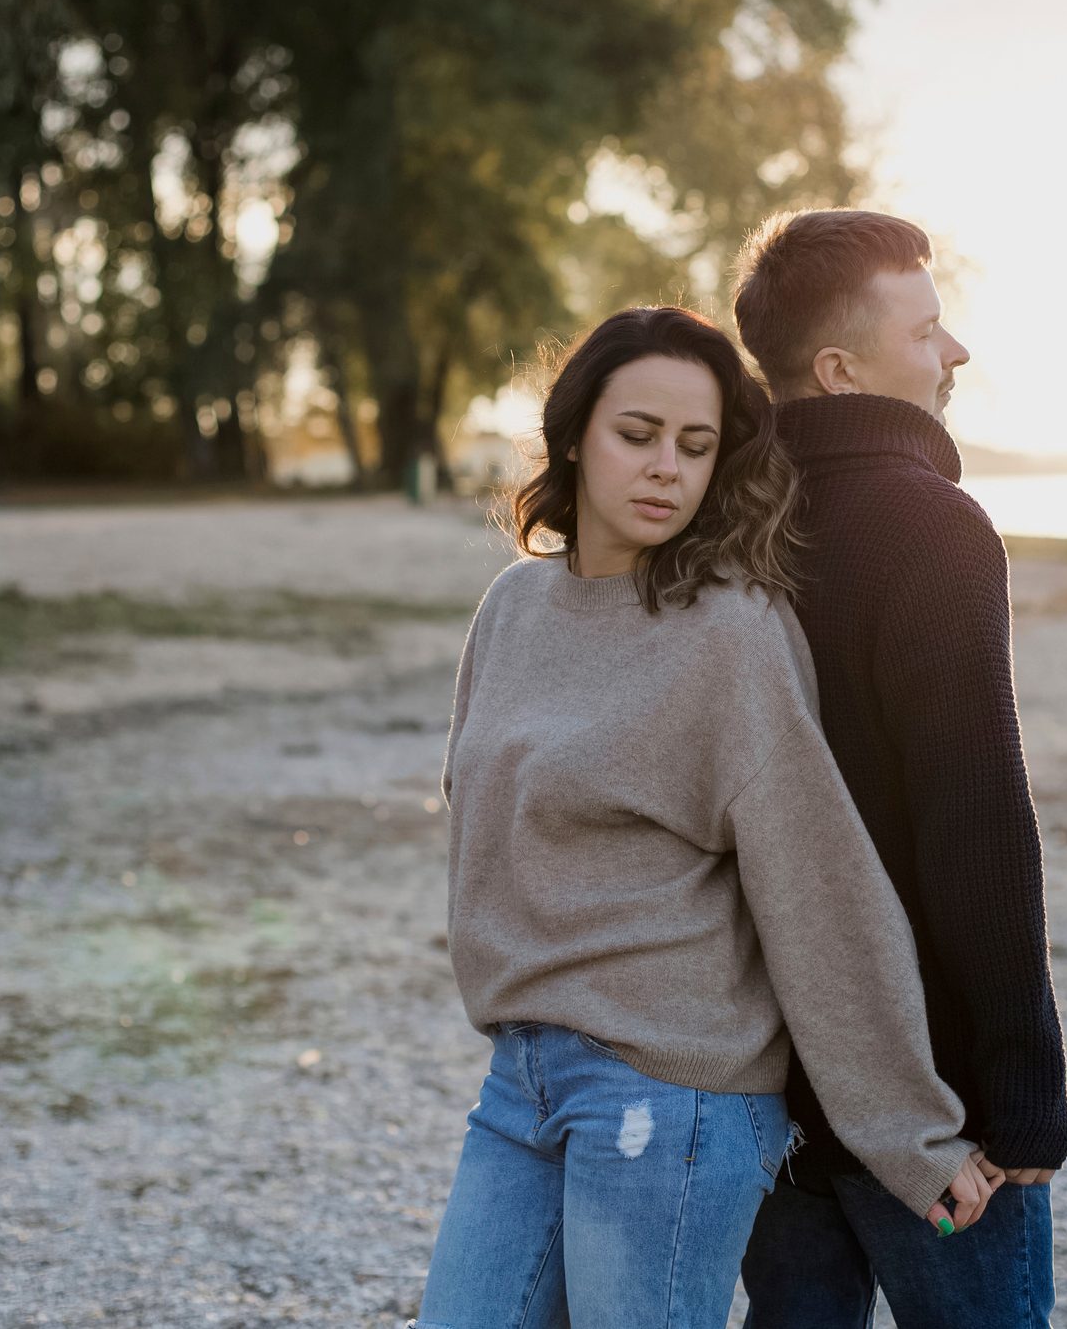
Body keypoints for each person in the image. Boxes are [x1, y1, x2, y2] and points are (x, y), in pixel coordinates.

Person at [414, 305, 997, 1329]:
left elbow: (818, 884)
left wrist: (909, 1133)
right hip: (522, 1078)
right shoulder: (511, 609)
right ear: (574, 434)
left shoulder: (728, 631)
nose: (666, 470)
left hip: (669, 1098)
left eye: (695, 447)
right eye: (637, 435)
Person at [731, 210, 1067, 1329]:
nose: (955, 352)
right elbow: (973, 825)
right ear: (840, 370)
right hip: (930, 1101)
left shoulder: (727, 533)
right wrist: (1019, 1094)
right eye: (926, 331)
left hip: (772, 1081)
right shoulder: (930, 526)